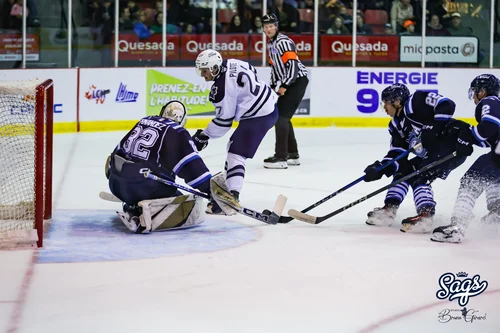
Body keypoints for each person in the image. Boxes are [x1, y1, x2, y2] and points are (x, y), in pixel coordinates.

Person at [363, 83, 467, 233]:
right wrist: (380, 169)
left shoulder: (416, 101)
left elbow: (447, 104)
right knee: (404, 170)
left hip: (452, 144)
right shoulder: (396, 125)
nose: (384, 108)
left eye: (386, 103)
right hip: (433, 152)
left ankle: (426, 215)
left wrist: (433, 128)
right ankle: (389, 209)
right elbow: (397, 154)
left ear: (397, 101)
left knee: (420, 174)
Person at [191, 49, 279, 215]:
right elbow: (252, 71)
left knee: (236, 153)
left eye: (205, 71)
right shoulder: (233, 62)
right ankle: (226, 193)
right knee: (233, 148)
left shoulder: (221, 88)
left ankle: (231, 197)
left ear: (214, 68)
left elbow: (224, 122)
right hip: (270, 105)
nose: (203, 75)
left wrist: (204, 135)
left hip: (258, 116)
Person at [106, 100, 212, 233]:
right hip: (143, 187)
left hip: (115, 183)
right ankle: (143, 213)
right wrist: (212, 190)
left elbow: (119, 151)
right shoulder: (178, 131)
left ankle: (130, 204)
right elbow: (192, 169)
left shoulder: (145, 120)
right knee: (187, 205)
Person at [431, 74, 500, 243]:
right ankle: (497, 215)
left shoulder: (490, 101)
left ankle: (457, 227)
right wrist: (469, 137)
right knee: (492, 175)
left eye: (475, 91)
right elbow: (491, 137)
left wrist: (468, 136)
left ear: (482, 91)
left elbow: (490, 125)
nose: (474, 96)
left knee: (470, 182)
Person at [262, 13, 309, 169]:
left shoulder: (283, 42)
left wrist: (285, 86)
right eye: (265, 26)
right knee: (283, 117)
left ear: (276, 26)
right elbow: (274, 69)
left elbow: (293, 66)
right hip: (291, 82)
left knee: (281, 117)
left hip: (297, 81)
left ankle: (281, 158)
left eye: (271, 26)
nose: (268, 29)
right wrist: (273, 87)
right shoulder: (270, 44)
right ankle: (292, 154)